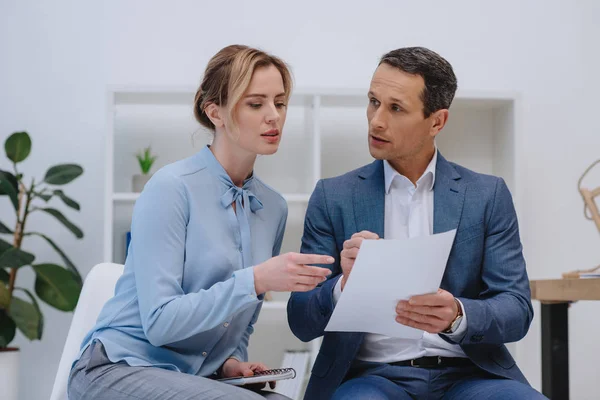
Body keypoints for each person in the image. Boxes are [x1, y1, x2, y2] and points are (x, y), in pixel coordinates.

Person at [68, 44, 334, 400]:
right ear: (215, 113)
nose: (274, 116)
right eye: (256, 104)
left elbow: (240, 324)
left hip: (192, 377)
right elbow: (161, 323)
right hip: (116, 370)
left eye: (280, 102)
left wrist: (231, 364)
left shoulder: (272, 207)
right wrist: (256, 279)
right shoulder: (171, 188)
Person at [287, 47, 546, 400]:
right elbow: (300, 320)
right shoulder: (333, 196)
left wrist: (458, 314)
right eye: (373, 102)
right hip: (371, 379)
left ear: (437, 121)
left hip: (471, 376)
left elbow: (516, 309)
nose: (376, 120)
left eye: (395, 108)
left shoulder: (487, 194)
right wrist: (344, 286)